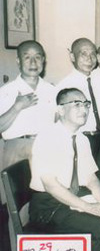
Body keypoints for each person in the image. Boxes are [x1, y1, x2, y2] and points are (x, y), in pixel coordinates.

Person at [29, 88, 100, 251]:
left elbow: (90, 178)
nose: (84, 110)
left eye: (86, 104)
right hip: (47, 206)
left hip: (70, 198)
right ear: (61, 110)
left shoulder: (81, 139)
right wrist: (89, 208)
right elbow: (51, 185)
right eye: (76, 104)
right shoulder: (47, 137)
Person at [0, 40, 55, 181]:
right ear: (18, 61)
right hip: (16, 150)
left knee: (46, 198)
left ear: (43, 60)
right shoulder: (6, 91)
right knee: (17, 200)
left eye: (37, 57)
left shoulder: (53, 90)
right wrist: (17, 107)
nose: (33, 62)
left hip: (46, 147)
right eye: (27, 57)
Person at [56, 38, 100, 158]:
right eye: (84, 54)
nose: (89, 59)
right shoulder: (65, 86)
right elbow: (57, 120)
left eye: (92, 54)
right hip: (78, 141)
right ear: (72, 57)